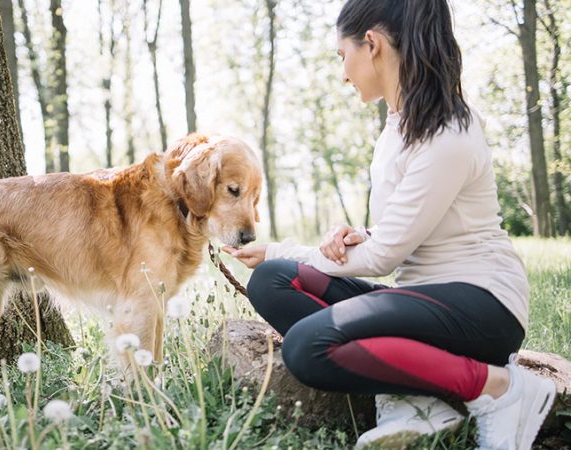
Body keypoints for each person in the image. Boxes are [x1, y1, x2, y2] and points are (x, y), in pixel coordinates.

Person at [224, 1, 556, 449]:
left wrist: (288, 247)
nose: (344, 73)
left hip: (482, 308)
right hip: (418, 301)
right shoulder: (399, 125)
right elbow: (403, 232)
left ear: (372, 45)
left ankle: (500, 388)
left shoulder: (448, 131)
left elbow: (383, 259)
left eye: (343, 56)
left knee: (307, 346)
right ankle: (417, 399)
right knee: (271, 281)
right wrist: (359, 235)